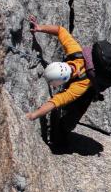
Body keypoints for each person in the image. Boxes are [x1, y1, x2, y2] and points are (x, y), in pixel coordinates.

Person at [26, 16, 95, 145]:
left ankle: (63, 135)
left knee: (74, 113)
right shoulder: (75, 53)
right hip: (82, 77)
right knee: (67, 104)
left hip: (90, 87)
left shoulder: (80, 86)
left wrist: (33, 115)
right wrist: (39, 27)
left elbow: (55, 102)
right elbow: (60, 30)